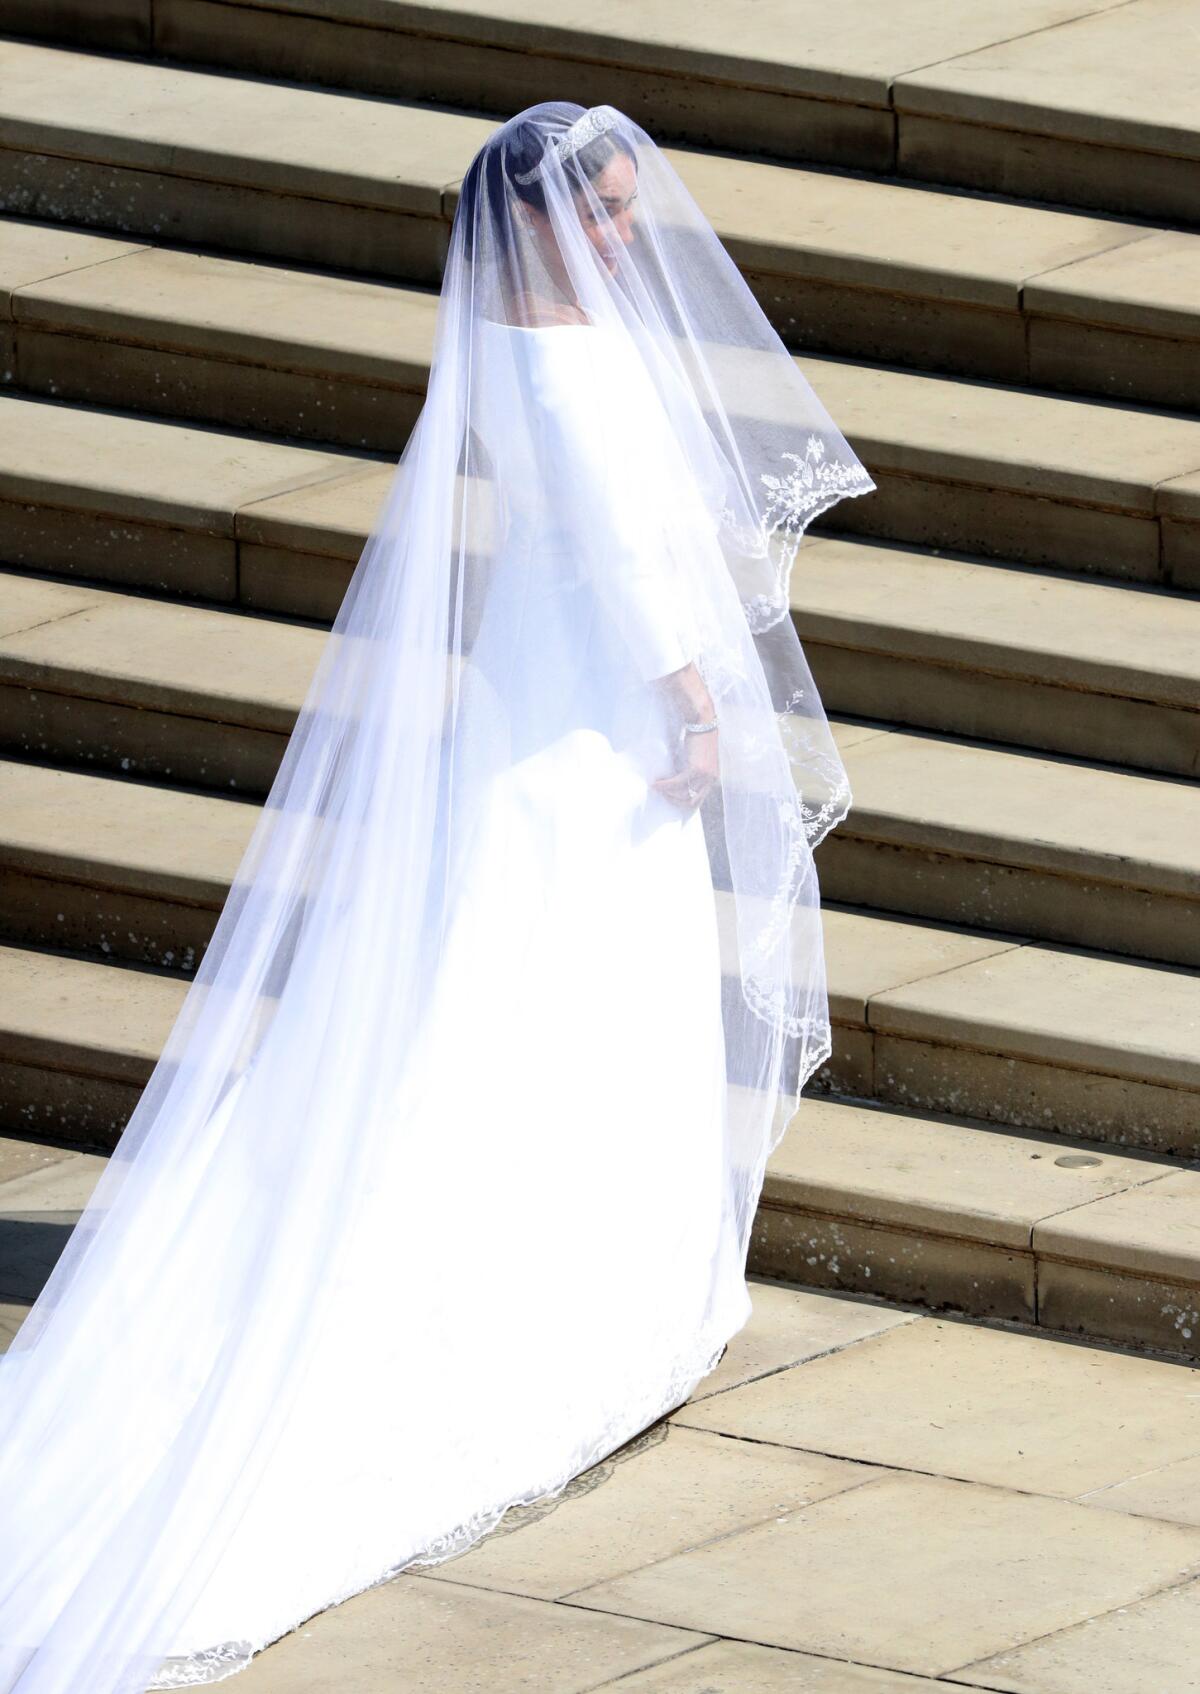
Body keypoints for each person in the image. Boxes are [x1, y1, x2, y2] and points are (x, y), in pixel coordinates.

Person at [0, 101, 875, 1691]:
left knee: (553, 978)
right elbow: (617, 545)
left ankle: (593, 1260)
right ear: (533, 220)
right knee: (555, 980)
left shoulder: (520, 334)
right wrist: (693, 698)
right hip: (596, 705)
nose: (622, 234)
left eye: (626, 208)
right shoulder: (553, 356)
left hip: (553, 690)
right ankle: (557, 1289)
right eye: (598, 212)